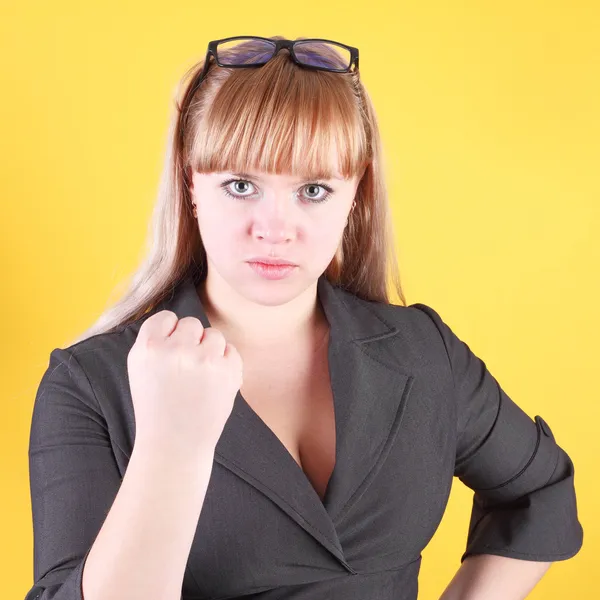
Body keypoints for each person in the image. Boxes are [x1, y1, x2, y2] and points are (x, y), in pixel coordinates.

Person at [24, 35, 583, 600]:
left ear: (355, 194)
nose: (275, 228)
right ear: (191, 182)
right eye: (241, 186)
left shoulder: (423, 351)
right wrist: (172, 444)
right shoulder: (90, 385)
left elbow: (541, 493)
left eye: (313, 190)